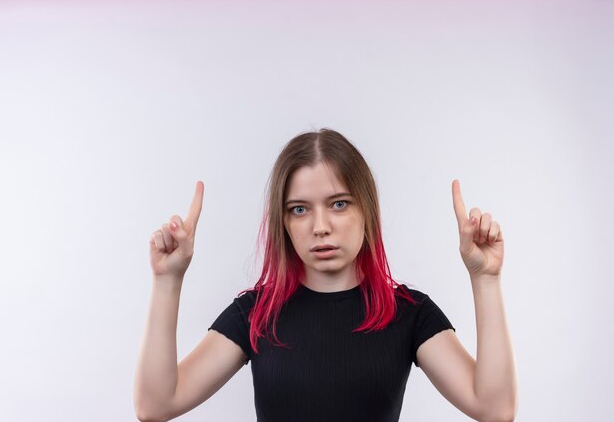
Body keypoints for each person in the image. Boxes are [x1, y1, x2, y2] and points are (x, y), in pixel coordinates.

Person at [134, 128, 518, 422]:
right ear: (282, 221)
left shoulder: (408, 313)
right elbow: (156, 404)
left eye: (338, 204)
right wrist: (168, 281)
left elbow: (495, 408)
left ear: (365, 210)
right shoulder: (256, 313)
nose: (320, 226)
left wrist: (486, 279)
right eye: (299, 209)